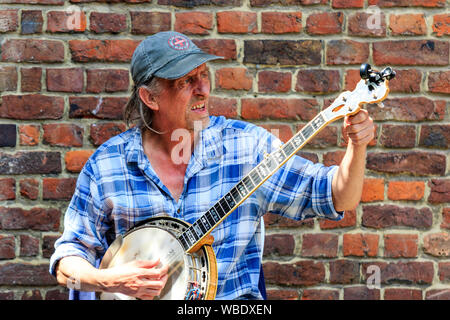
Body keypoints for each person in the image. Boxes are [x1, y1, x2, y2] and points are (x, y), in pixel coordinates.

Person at [50, 31, 375, 300]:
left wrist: (357, 145)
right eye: (185, 81)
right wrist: (110, 281)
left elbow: (337, 197)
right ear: (151, 98)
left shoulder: (247, 149)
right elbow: (68, 263)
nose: (203, 88)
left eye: (203, 75)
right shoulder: (107, 166)